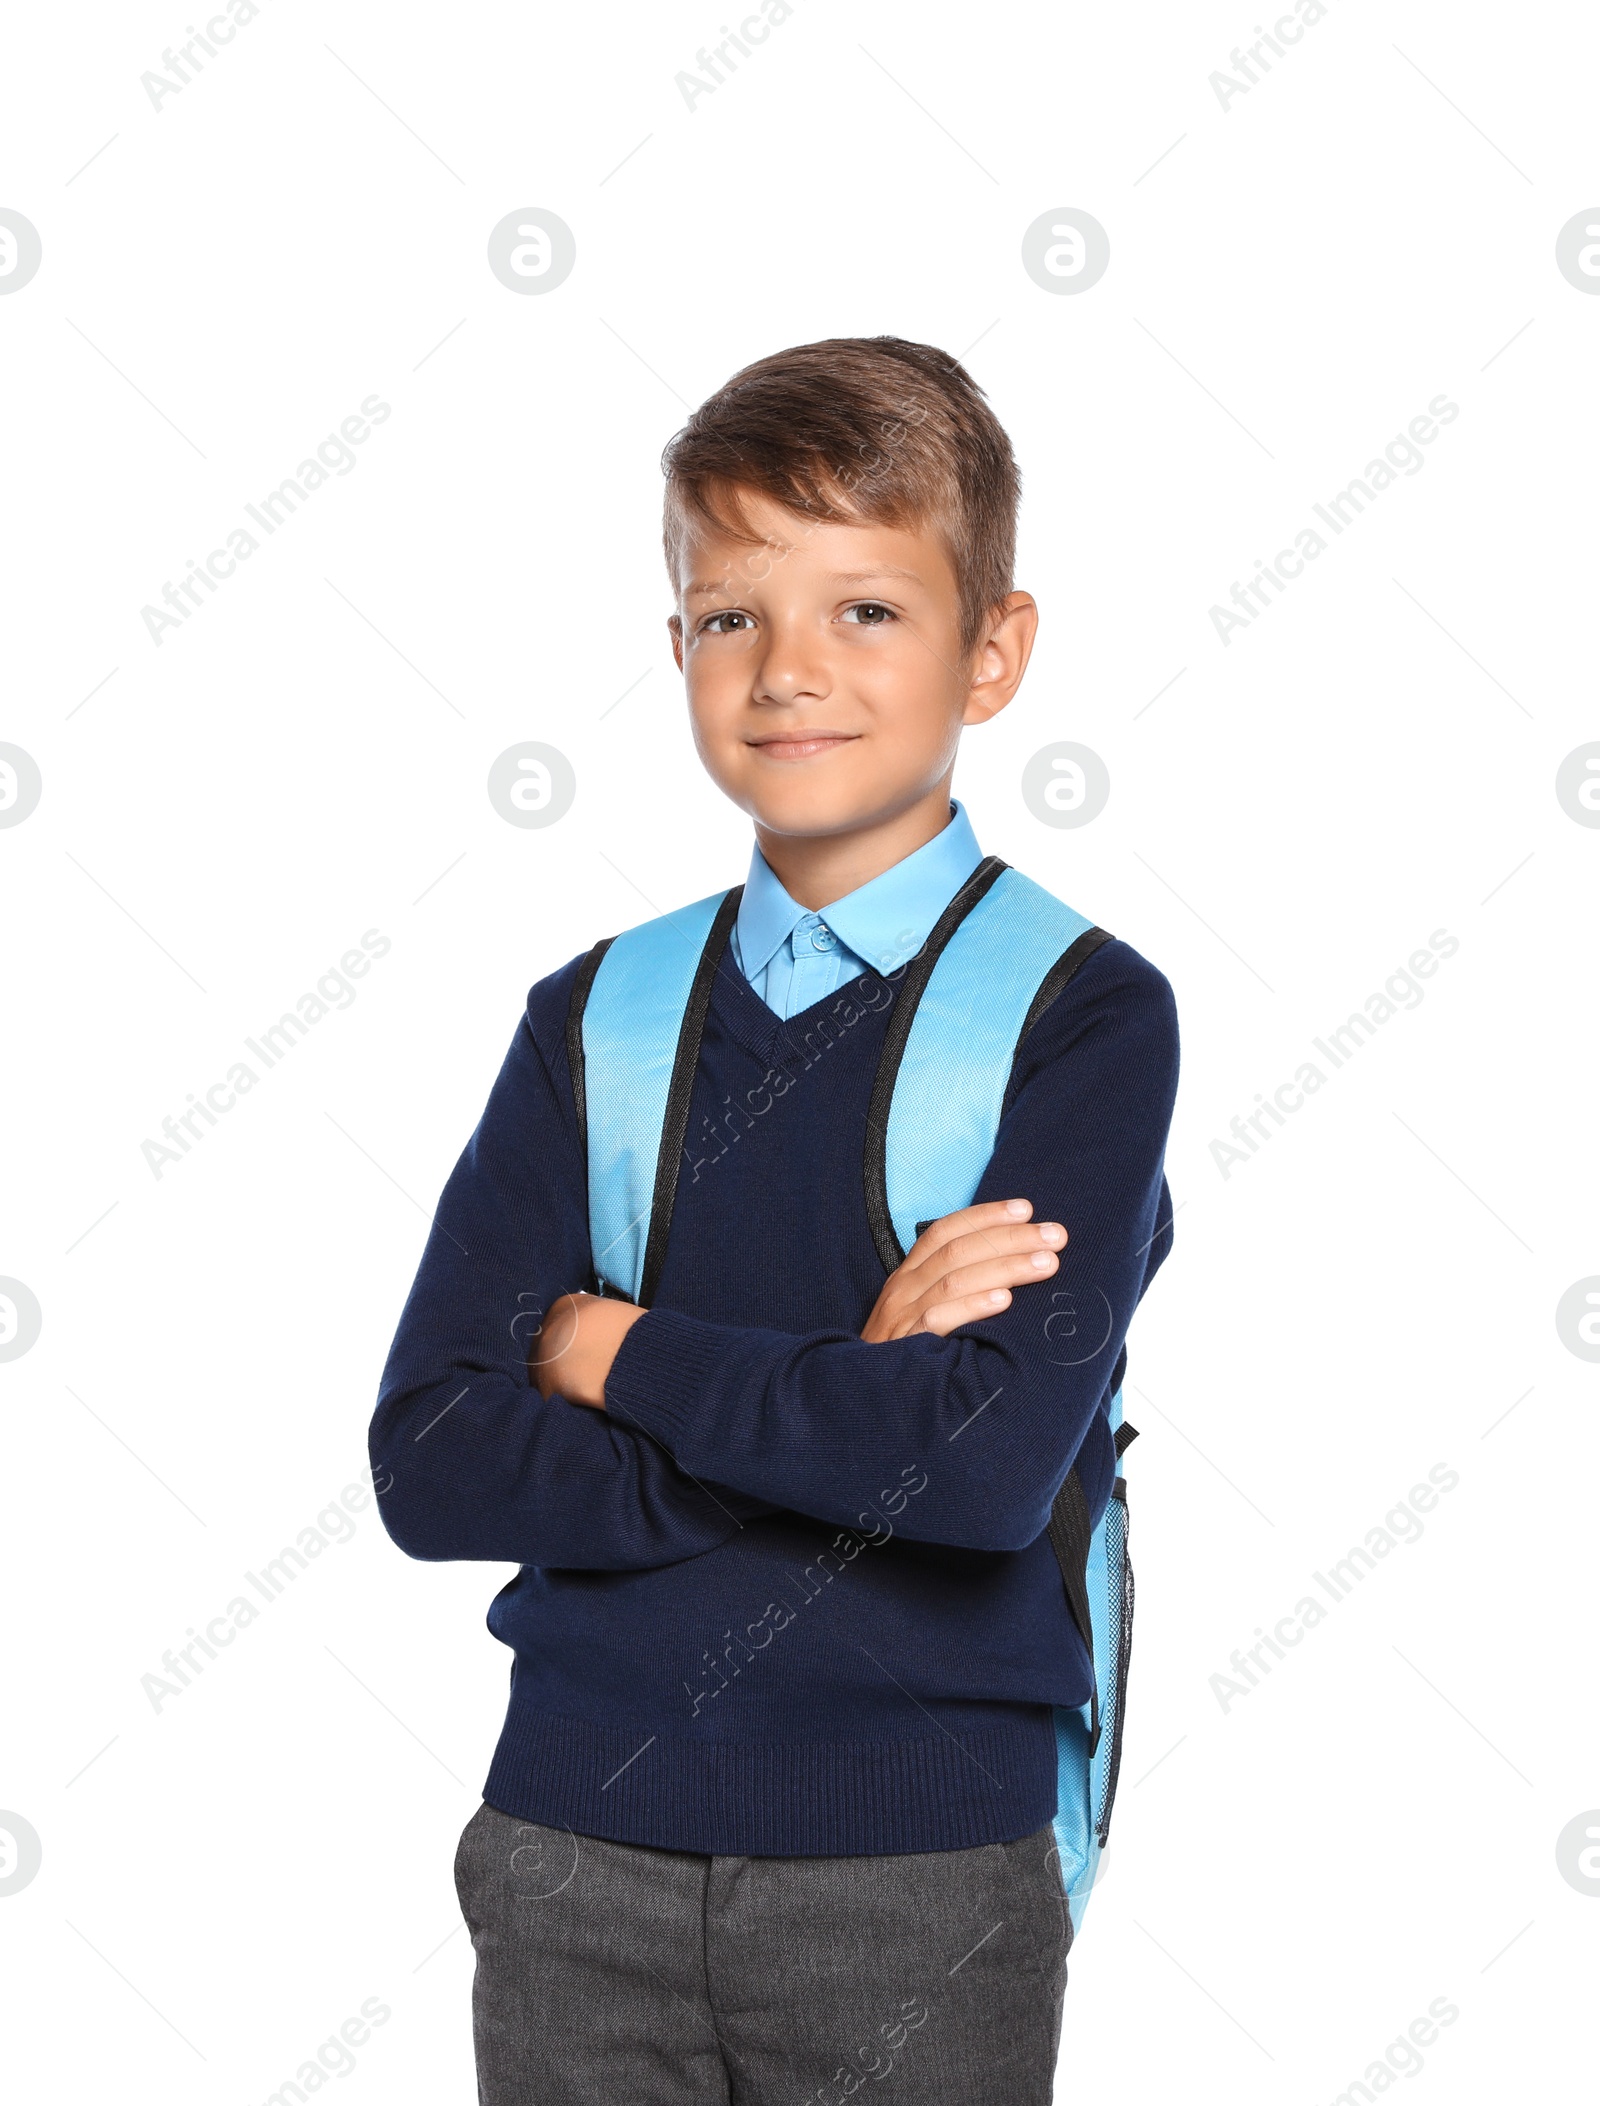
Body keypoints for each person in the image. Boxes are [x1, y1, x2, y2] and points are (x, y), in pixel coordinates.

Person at [369, 335, 1179, 2104]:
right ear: (676, 647)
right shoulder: (594, 1018)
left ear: (996, 649)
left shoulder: (1081, 1015)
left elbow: (967, 1475)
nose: (790, 670)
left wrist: (608, 1346)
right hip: (572, 1846)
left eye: (868, 612)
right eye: (731, 615)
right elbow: (430, 1456)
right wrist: (845, 1386)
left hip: (918, 1874)